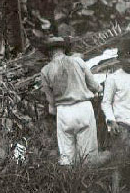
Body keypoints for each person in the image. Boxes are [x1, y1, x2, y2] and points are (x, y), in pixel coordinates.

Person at [40, 36, 102, 165]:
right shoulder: (78, 61)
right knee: (88, 154)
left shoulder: (45, 70)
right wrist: (99, 89)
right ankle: (87, 180)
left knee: (67, 156)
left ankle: (68, 182)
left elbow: (51, 104)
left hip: (63, 111)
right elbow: (94, 86)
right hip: (83, 107)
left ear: (49, 52)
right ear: (63, 49)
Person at [101, 52, 130, 147]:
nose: (129, 61)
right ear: (119, 58)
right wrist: (112, 121)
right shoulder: (113, 78)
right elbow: (106, 103)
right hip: (122, 125)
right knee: (122, 159)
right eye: (126, 57)